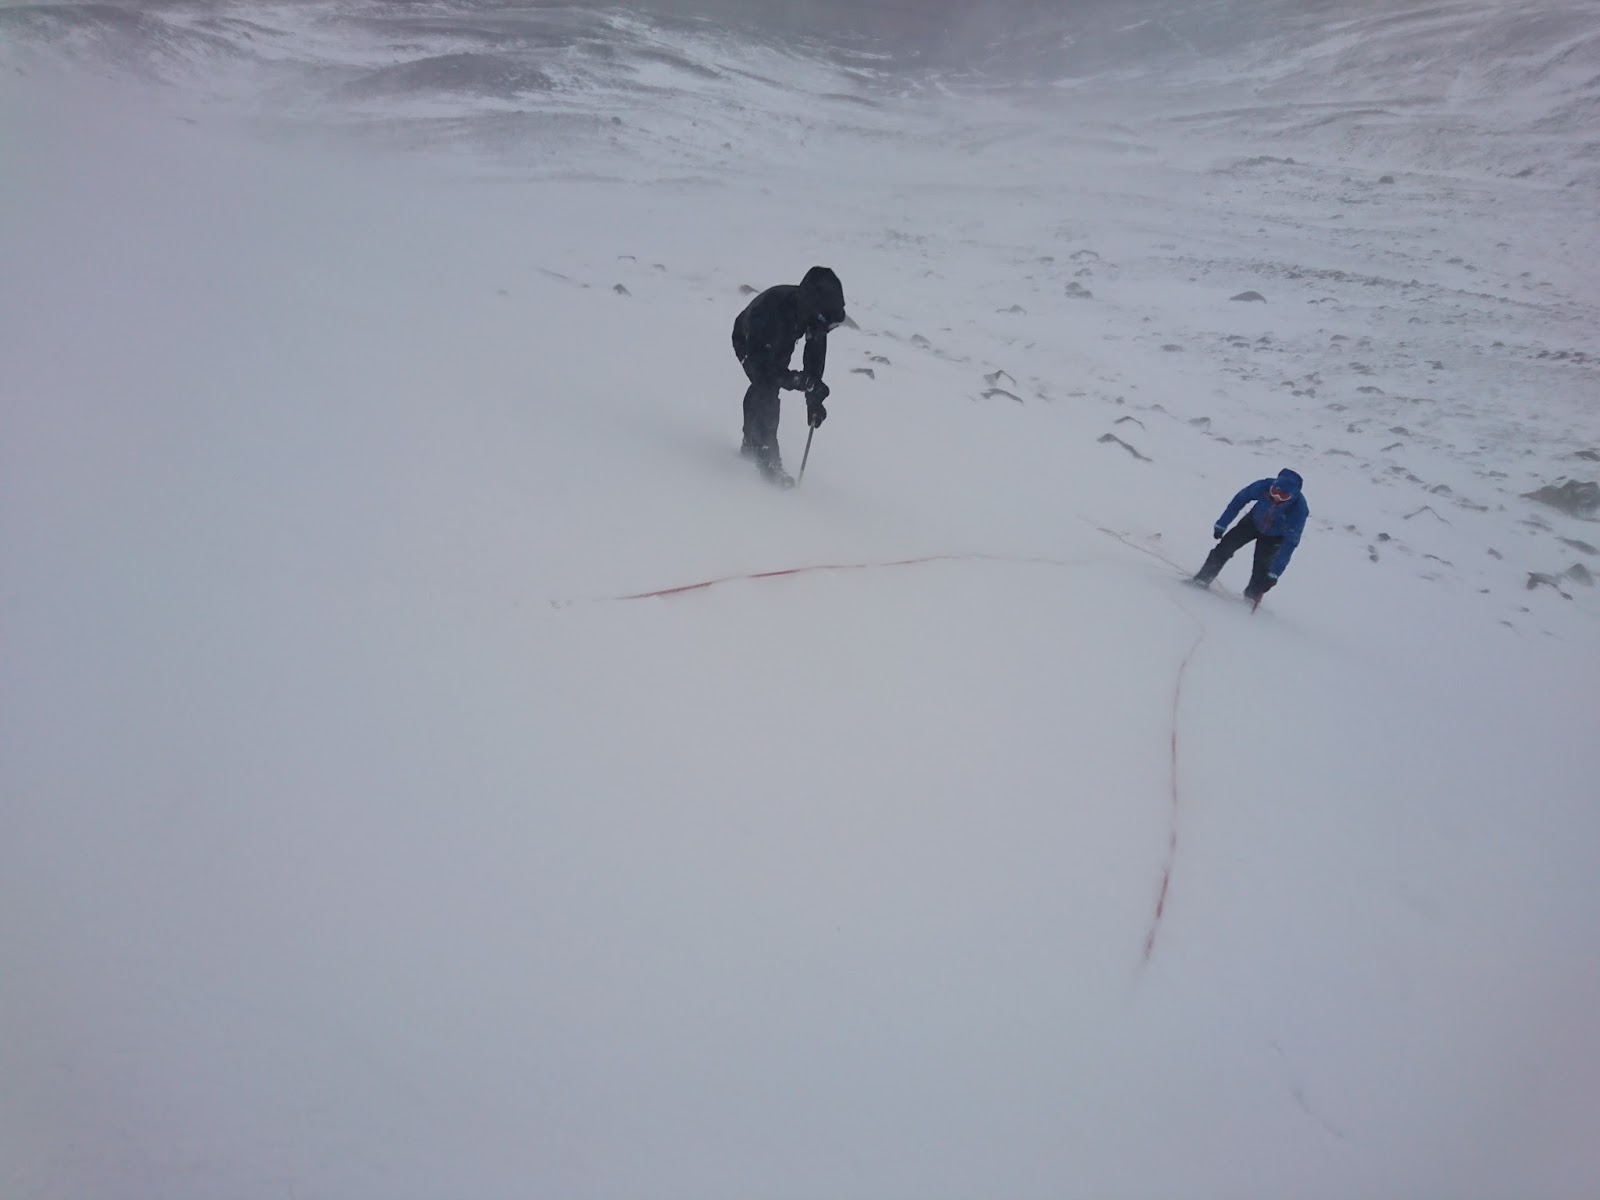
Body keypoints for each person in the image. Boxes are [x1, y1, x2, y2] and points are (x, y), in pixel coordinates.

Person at [731, 265, 847, 486]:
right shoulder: (771, 312)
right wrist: (797, 380)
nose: (828, 330)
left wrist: (813, 398)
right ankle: (768, 462)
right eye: (828, 325)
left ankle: (751, 443)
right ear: (817, 312)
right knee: (765, 391)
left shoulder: (812, 318)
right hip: (750, 342)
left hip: (780, 342)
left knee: (768, 386)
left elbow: (814, 358)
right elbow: (764, 371)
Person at [1190, 468, 1308, 601]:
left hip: (1274, 536)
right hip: (1252, 523)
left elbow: (1290, 543)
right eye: (1275, 491)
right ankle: (1203, 579)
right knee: (1224, 548)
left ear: (1293, 496)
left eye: (1283, 496)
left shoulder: (1299, 510)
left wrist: (1275, 573)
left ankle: (1251, 598)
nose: (1276, 497)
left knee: (1261, 569)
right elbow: (1239, 500)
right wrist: (1222, 524)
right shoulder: (1263, 486)